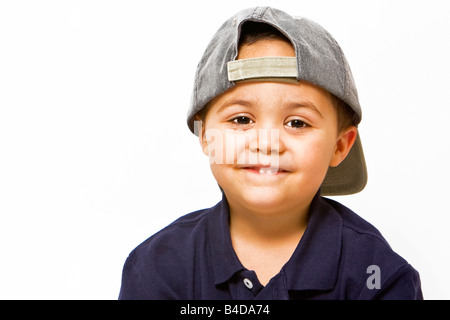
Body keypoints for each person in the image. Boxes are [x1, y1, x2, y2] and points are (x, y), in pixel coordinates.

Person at [119, 6, 422, 300]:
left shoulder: (379, 276)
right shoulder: (157, 268)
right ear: (205, 136)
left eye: (296, 122)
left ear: (340, 146)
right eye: (241, 120)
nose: (266, 143)